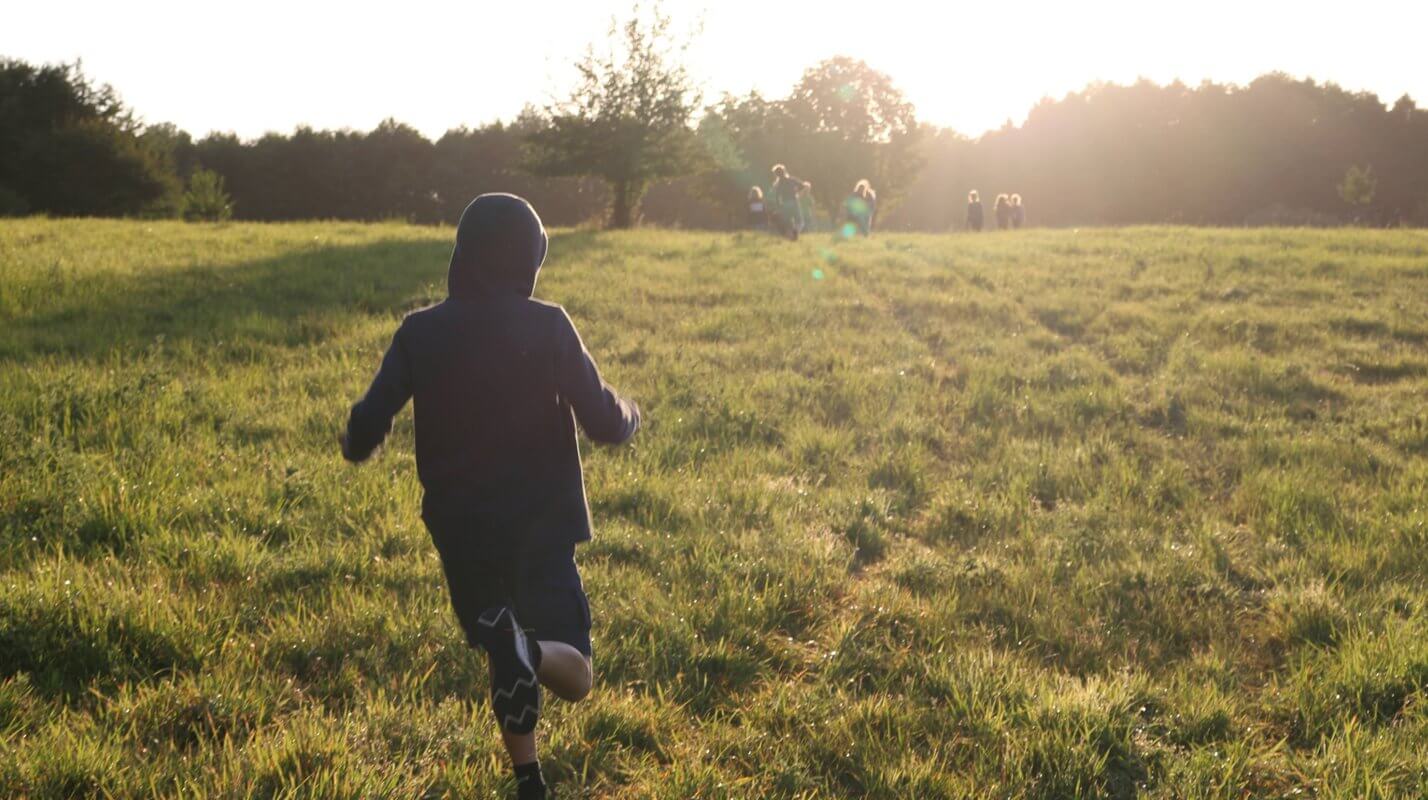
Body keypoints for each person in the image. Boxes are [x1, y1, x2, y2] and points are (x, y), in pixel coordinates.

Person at [340, 193, 640, 800]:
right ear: (529, 260)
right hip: (541, 524)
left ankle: (528, 777)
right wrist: (631, 415)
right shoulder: (548, 324)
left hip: (460, 528)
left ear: (462, 254)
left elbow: (371, 418)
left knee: (505, 656)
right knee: (575, 674)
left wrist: (355, 439)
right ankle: (528, 652)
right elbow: (604, 420)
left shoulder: (419, 332)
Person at [770, 164, 811, 241]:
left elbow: (777, 197)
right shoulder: (791, 180)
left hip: (784, 204)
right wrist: (797, 193)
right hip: (794, 202)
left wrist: (778, 207)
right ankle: (795, 232)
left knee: (788, 223)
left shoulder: (778, 184)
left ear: (776, 174)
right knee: (800, 222)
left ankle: (791, 237)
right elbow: (803, 186)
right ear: (784, 171)